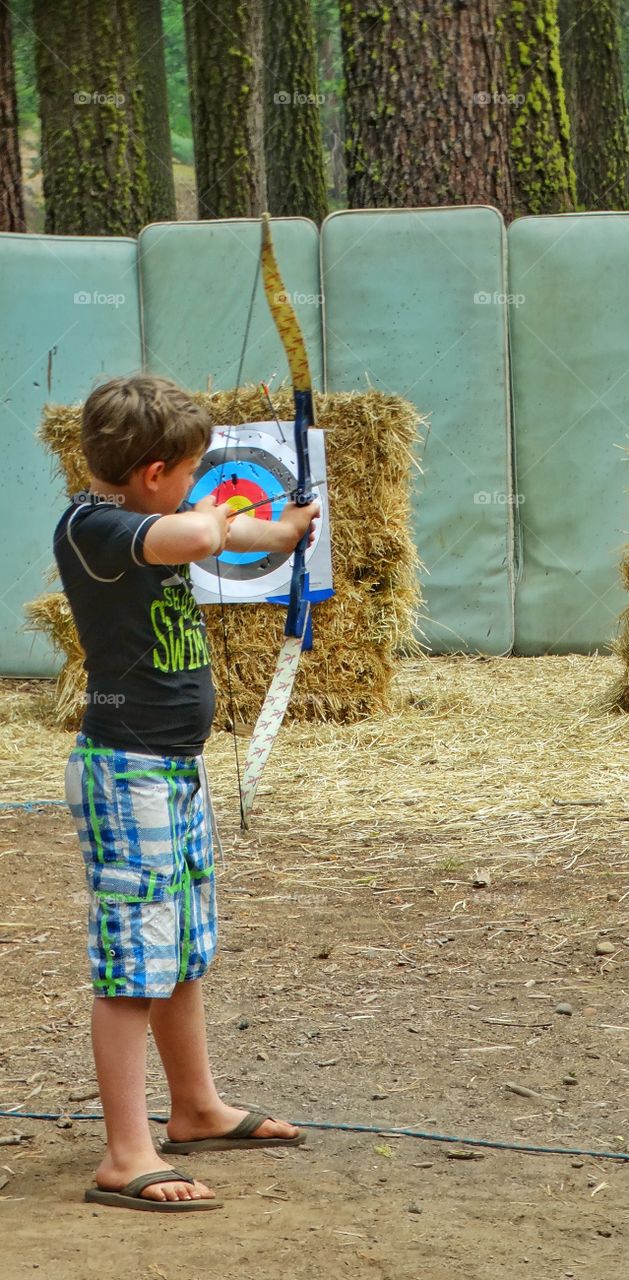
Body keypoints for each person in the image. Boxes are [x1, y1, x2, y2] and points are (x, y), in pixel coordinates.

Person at [54, 374, 318, 1212]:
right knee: (135, 961)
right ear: (155, 473)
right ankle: (125, 1154)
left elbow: (218, 528)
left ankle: (196, 1106)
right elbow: (201, 532)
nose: (200, 485)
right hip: (125, 774)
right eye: (194, 469)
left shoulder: (153, 517)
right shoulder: (94, 527)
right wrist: (229, 521)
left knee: (180, 949)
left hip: (171, 769)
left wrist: (288, 531)